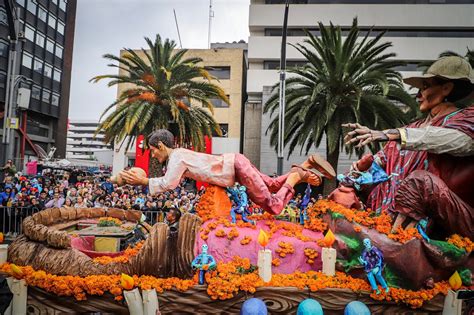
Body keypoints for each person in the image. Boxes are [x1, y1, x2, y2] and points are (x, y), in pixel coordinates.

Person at [343, 56, 474, 238]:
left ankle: (401, 240)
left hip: (444, 223)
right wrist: (360, 170)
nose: (418, 95)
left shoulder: (466, 120)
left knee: (420, 181)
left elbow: (450, 139)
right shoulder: (412, 128)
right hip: (387, 217)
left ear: (446, 88)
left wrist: (389, 134)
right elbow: (383, 159)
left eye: (425, 87)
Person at [121, 129, 335, 216]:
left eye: (152, 151)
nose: (153, 156)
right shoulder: (179, 155)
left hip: (234, 168)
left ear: (160, 145)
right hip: (235, 162)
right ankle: (307, 163)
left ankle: (297, 175)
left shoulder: (176, 157)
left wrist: (143, 180)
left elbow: (169, 183)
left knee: (274, 206)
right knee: (271, 184)